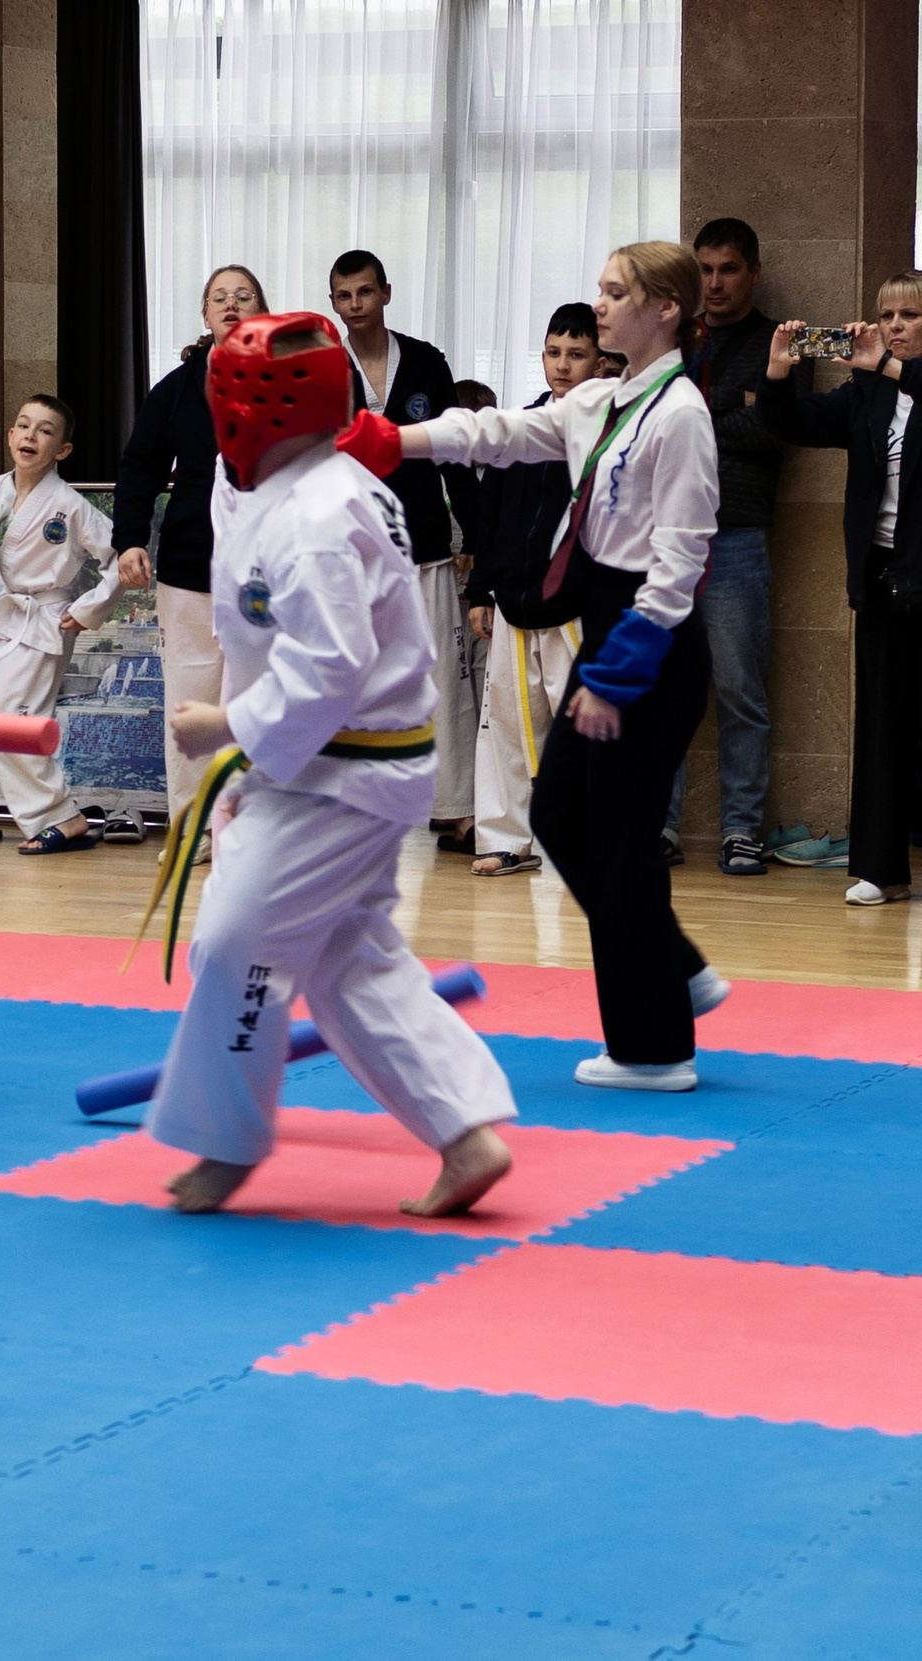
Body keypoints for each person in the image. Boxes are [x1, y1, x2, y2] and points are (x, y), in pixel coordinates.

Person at [148, 311, 518, 1218]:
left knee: (236, 943)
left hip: (340, 774)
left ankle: (226, 1141)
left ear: (249, 413)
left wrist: (229, 726)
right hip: (332, 766)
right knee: (351, 959)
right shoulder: (307, 485)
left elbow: (331, 664)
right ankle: (464, 1130)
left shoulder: (316, 514)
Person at [402, 242, 728, 1092]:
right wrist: (392, 440)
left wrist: (630, 659)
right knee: (557, 813)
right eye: (602, 291)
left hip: (650, 639)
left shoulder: (680, 412)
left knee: (616, 839)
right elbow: (500, 431)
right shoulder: (602, 401)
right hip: (612, 626)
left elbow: (683, 552)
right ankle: (672, 965)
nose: (602, 305)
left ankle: (655, 1048)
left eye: (617, 293)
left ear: (665, 308)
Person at [754, 278, 922, 905]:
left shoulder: (901, 378)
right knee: (882, 722)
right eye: (886, 315)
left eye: (910, 314)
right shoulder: (868, 393)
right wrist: (777, 373)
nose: (896, 324)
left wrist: (889, 364)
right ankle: (880, 868)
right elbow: (794, 423)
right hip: (884, 575)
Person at [328, 250, 484, 853]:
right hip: (345, 552)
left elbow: (455, 451)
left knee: (443, 679)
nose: (355, 305)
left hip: (422, 546)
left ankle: (458, 807)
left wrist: (476, 534)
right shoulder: (321, 365)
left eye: (365, 292)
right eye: (344, 296)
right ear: (334, 302)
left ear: (386, 293)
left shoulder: (424, 362)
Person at [0, 395, 121, 854]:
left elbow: (116, 557)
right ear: (11, 436)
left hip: (44, 622)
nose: (31, 436)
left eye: (45, 430)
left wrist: (90, 607)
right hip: (4, 616)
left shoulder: (71, 505)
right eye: (23, 426)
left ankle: (61, 818)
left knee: (10, 722)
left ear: (63, 450)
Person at [114, 266, 267, 833]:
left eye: (243, 296)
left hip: (268, 572)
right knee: (191, 700)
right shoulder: (178, 388)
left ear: (264, 310)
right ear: (205, 316)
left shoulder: (288, 380)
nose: (231, 305)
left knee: (262, 702)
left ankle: (255, 830)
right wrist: (129, 539)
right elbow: (139, 470)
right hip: (189, 566)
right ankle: (191, 828)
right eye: (219, 298)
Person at [463, 304, 611, 879]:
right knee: (503, 723)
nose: (563, 366)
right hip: (512, 600)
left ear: (599, 361)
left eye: (577, 355)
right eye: (554, 353)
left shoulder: (608, 430)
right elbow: (490, 517)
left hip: (576, 608)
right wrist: (481, 591)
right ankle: (506, 838)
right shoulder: (520, 427)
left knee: (584, 727)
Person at [667, 218, 788, 874]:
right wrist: (727, 404)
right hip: (666, 536)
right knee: (663, 686)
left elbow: (771, 429)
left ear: (753, 272)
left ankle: (743, 829)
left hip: (737, 534)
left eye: (728, 269)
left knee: (740, 687)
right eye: (705, 269)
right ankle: (659, 823)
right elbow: (651, 417)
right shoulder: (672, 337)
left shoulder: (778, 342)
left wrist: (693, 407)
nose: (714, 282)